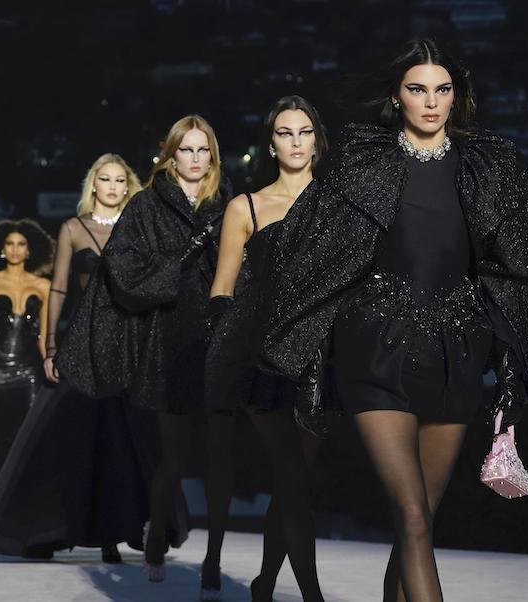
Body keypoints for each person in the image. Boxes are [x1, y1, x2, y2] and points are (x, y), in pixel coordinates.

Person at [253, 39, 528, 602]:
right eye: (418, 89)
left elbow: (525, 262)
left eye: (443, 90)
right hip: (374, 344)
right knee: (413, 515)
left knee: (416, 525)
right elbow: (313, 246)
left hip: (456, 351)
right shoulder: (362, 158)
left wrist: (508, 355)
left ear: (457, 96)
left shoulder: (491, 163)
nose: (432, 102)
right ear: (396, 96)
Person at [57, 115, 229, 582]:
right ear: (171, 156)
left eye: (203, 150)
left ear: (214, 156)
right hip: (166, 343)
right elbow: (122, 270)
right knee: (171, 457)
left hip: (220, 339)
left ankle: (213, 563)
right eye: (186, 149)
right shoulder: (146, 205)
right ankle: (155, 536)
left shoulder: (228, 203)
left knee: (221, 459)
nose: (195, 159)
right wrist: (180, 263)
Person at [0, 154, 153, 561]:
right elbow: (58, 291)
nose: (112, 186)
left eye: (119, 180)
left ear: (128, 186)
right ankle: (53, 529)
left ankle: (117, 532)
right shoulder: (73, 228)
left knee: (121, 438)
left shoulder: (139, 227)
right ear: (93, 185)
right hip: (82, 341)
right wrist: (51, 347)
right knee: (72, 435)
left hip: (127, 341)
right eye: (105, 179)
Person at [204, 96, 328, 601]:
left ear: (317, 141)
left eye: (304, 132)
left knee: (293, 480)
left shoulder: (339, 204)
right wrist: (227, 349)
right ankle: (312, 596)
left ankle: (264, 584)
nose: (295, 142)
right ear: (271, 144)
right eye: (284, 133)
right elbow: (222, 288)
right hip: (261, 356)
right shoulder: (246, 206)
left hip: (321, 355)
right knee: (292, 472)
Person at [0, 219, 53, 552]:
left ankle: (33, 527)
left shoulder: (43, 286)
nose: (15, 250)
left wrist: (50, 371)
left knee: (31, 443)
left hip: (31, 368)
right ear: (1, 249)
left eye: (21, 244)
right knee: (3, 444)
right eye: (10, 244)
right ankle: (3, 530)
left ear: (30, 250)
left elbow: (45, 337)